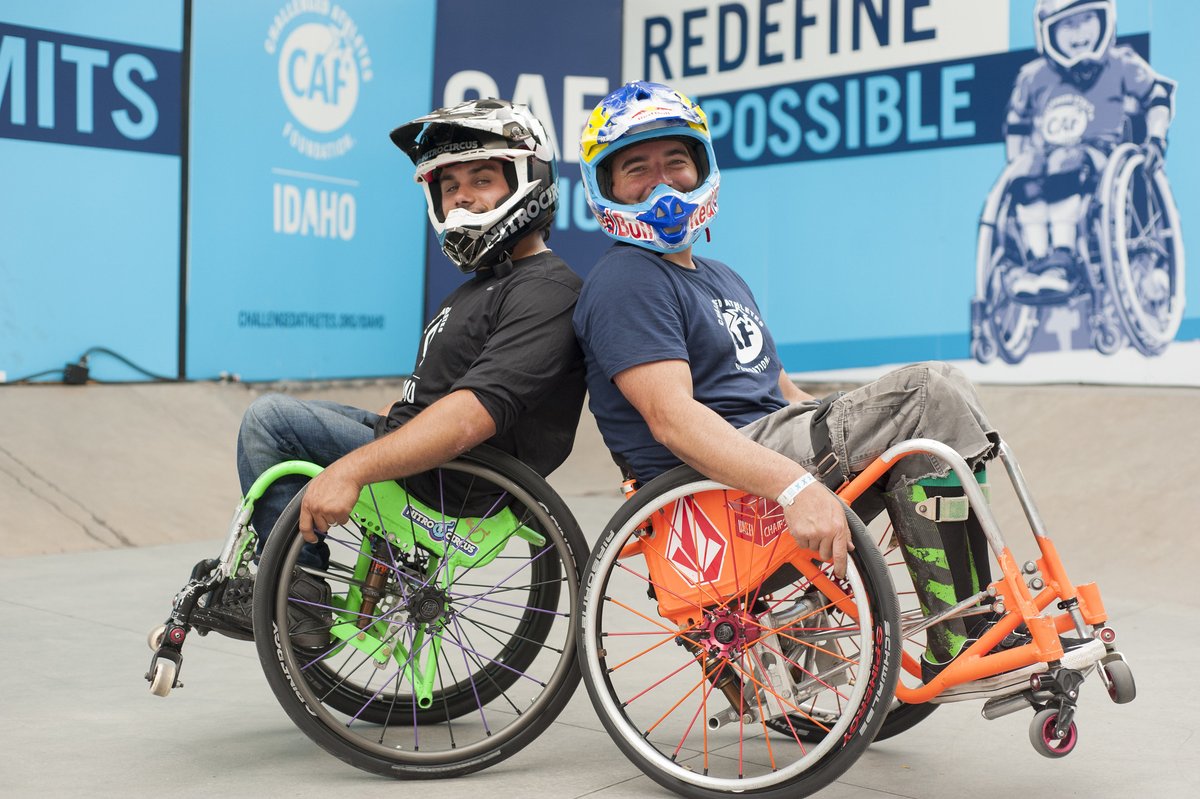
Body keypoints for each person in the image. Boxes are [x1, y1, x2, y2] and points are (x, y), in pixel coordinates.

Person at [573, 81, 1030, 679]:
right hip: (716, 480)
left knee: (941, 397)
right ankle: (963, 628)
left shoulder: (722, 276)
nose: (661, 182)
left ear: (703, 169)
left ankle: (976, 611)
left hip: (769, 440)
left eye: (676, 161)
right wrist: (794, 488)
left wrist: (866, 423)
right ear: (606, 188)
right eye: (637, 168)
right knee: (929, 390)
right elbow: (671, 419)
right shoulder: (627, 279)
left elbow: (784, 392)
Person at [196, 99, 585, 643]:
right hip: (430, 457)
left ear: (529, 181)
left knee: (270, 421)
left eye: (481, 179)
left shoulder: (546, 289)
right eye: (449, 187)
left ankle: (299, 592)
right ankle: (290, 580)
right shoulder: (484, 287)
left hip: (453, 479)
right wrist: (376, 424)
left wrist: (351, 469)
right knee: (294, 419)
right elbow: (430, 396)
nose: (462, 196)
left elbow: (473, 416)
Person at [1004, 0, 1175, 301]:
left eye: (1086, 20)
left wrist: (1156, 139)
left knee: (1064, 160)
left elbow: (1156, 96)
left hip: (1100, 156)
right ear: (1049, 32)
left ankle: (1062, 258)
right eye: (1068, 24)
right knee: (1025, 170)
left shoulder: (1121, 63)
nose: (1078, 31)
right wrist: (1017, 161)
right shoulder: (1033, 76)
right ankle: (1036, 259)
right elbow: (1016, 122)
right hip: (1046, 158)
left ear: (1104, 20)